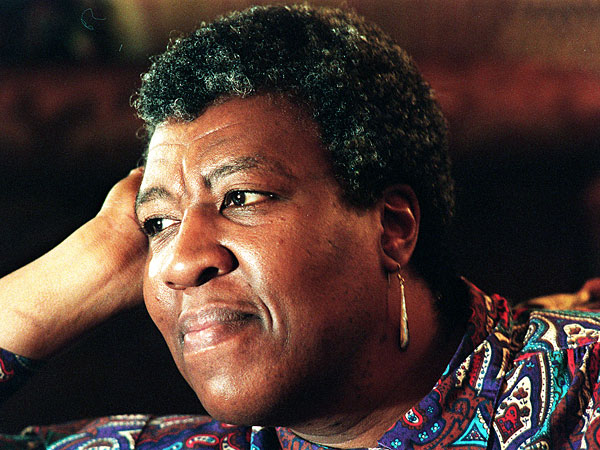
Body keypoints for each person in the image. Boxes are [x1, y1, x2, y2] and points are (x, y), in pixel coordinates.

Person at [1, 4, 600, 449]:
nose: (179, 263)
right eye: (157, 222)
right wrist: (89, 262)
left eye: (242, 197)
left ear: (393, 229)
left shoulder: (580, 394)